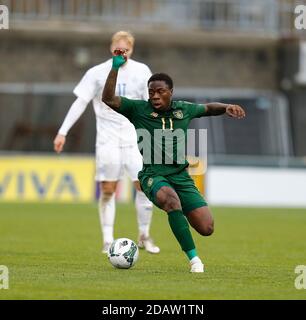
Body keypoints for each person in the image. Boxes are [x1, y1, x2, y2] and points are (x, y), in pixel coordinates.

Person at [101, 52, 246, 272]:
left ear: (171, 92)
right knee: (171, 201)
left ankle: (179, 216)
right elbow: (109, 99)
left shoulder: (183, 110)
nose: (155, 97)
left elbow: (208, 108)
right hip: (153, 176)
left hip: (181, 177)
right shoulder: (138, 110)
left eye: (160, 92)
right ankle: (194, 260)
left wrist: (226, 107)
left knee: (207, 227)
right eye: (151, 93)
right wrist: (115, 68)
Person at [53, 31, 160, 254]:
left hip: (135, 138)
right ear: (111, 49)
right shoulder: (97, 73)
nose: (122, 53)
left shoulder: (142, 71)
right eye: (118, 49)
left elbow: (151, 105)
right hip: (107, 139)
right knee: (108, 189)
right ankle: (107, 239)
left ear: (132, 49)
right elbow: (80, 102)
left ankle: (144, 234)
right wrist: (62, 132)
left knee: (144, 186)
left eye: (126, 49)